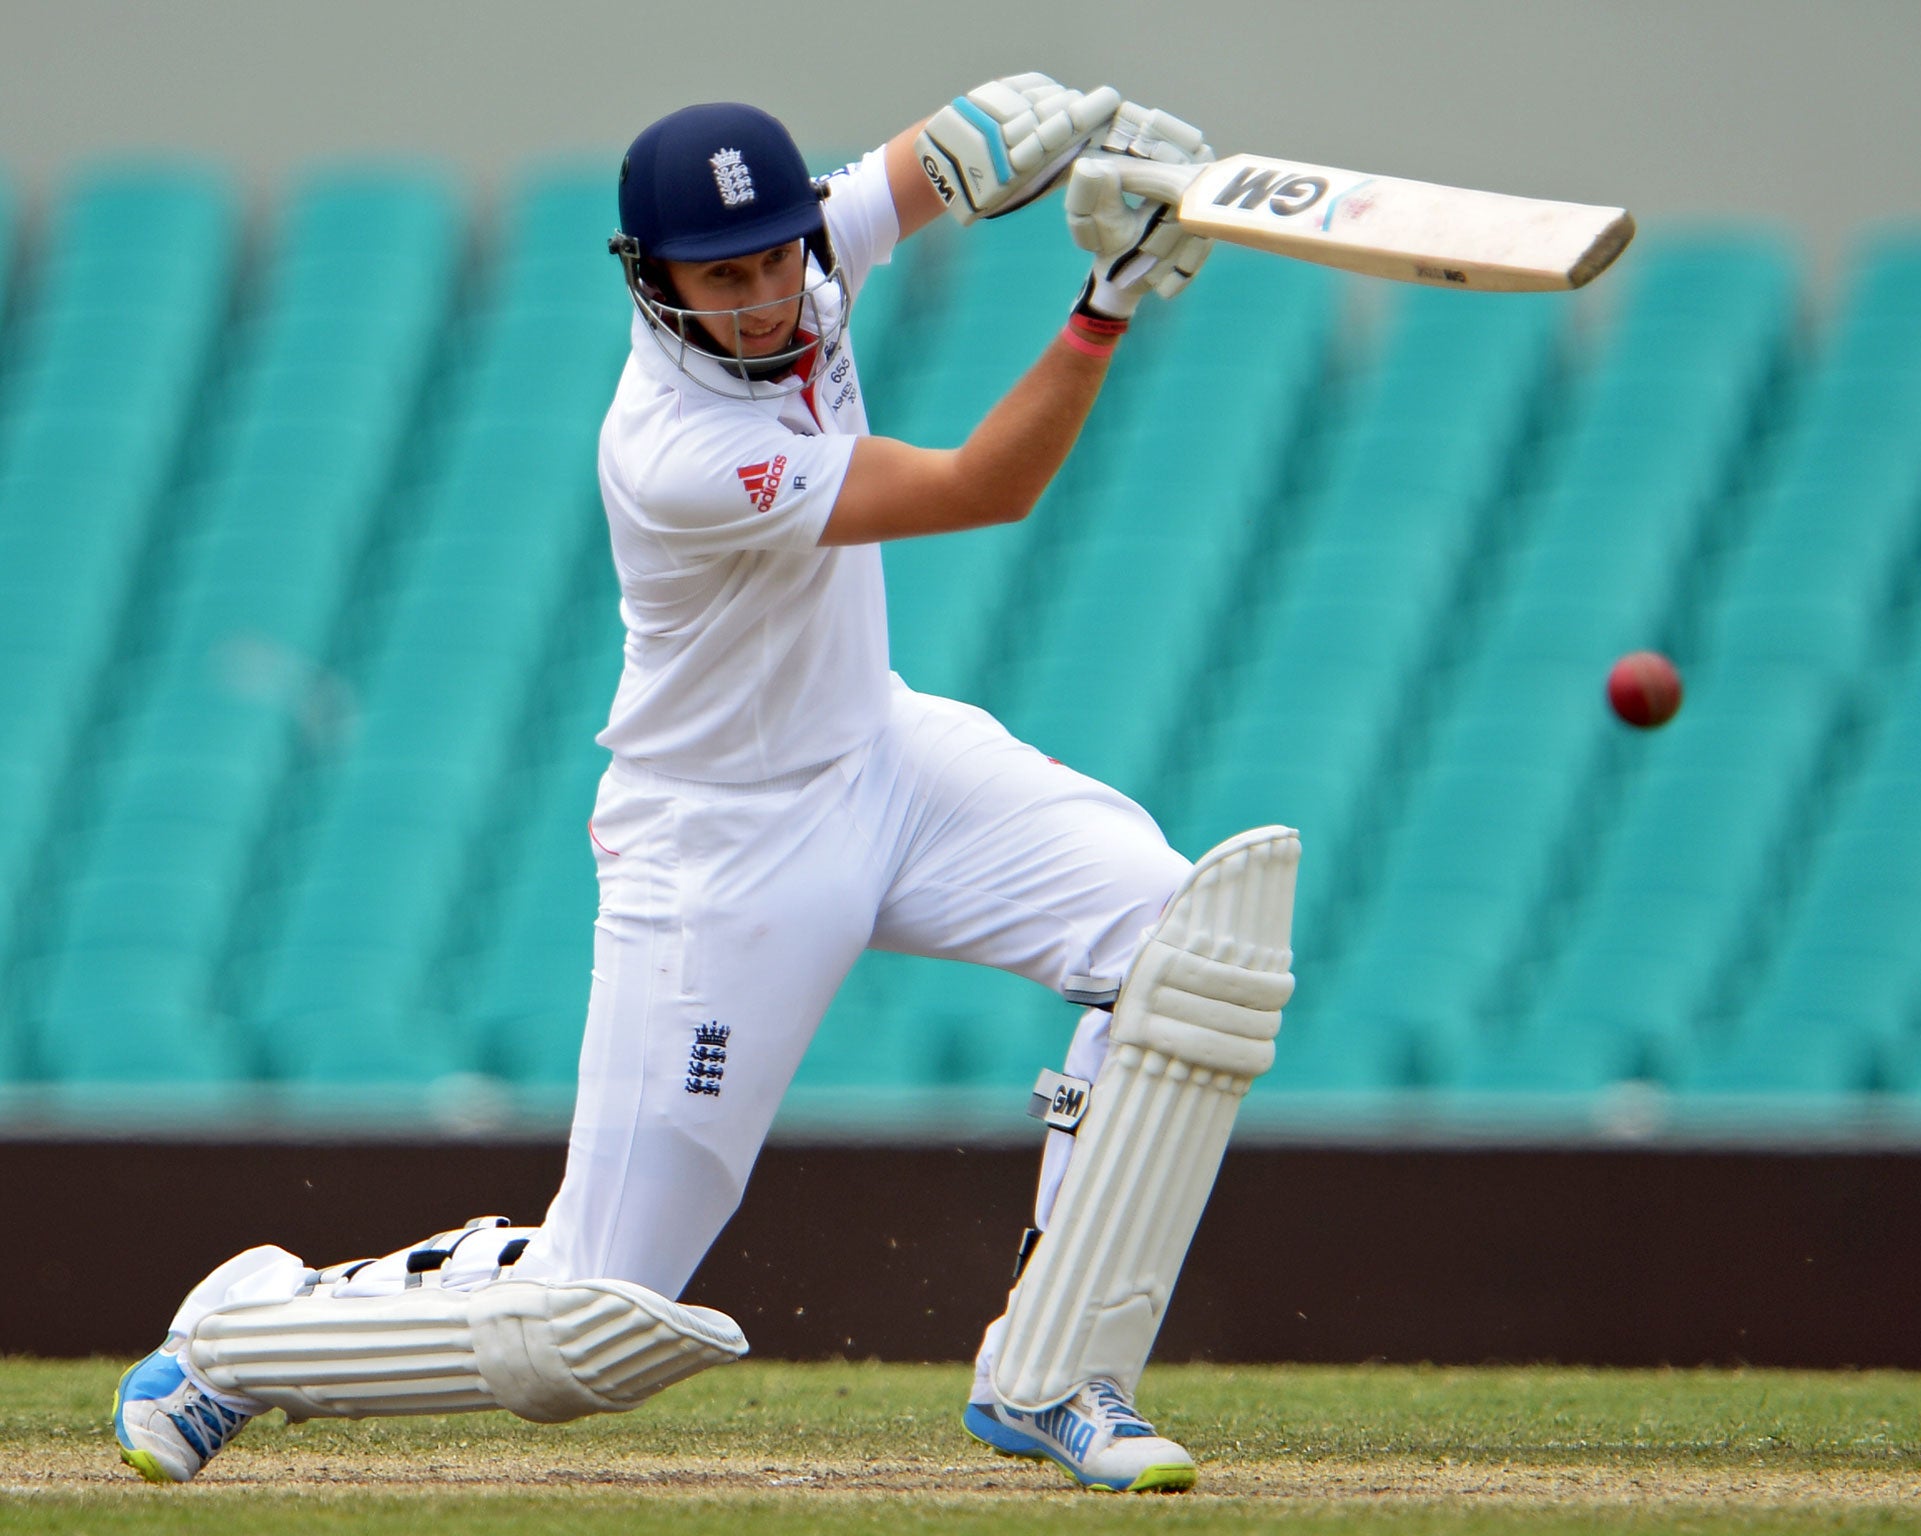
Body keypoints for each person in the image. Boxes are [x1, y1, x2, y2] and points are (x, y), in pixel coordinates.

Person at [113, 76, 1300, 1495]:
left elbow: (928, 165)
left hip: (883, 761)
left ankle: (1057, 1378)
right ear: (654, 282)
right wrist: (1105, 301)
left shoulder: (799, 267)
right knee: (581, 1325)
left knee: (1181, 944)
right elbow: (989, 486)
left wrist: (1057, 123)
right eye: (719, 278)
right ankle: (236, 1336)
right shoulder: (681, 454)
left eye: (778, 260)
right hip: (722, 848)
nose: (763, 301)